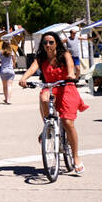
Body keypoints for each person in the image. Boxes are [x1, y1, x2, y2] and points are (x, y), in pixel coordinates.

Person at [16, 31, 90, 173]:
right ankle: (49, 127)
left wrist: (70, 74)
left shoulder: (65, 55)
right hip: (51, 87)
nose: (48, 45)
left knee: (68, 123)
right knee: (43, 98)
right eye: (45, 43)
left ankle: (75, 158)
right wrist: (23, 78)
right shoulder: (41, 58)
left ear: (56, 43)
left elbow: (70, 67)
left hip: (66, 87)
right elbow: (32, 68)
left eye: (51, 42)